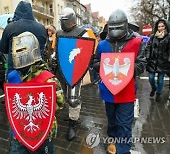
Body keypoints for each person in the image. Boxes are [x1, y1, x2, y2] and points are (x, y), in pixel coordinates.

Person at [96, 9, 146, 154]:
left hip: (127, 91)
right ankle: (112, 140)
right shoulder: (102, 45)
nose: (115, 30)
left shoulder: (137, 43)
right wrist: (104, 65)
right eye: (113, 27)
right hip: (108, 90)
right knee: (111, 120)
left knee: (124, 123)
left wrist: (128, 68)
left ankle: (123, 150)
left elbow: (141, 64)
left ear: (125, 25)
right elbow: (94, 62)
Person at [6, 32, 64, 154]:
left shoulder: (48, 79)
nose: (18, 54)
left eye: (22, 50)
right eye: (17, 50)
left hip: (42, 131)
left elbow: (58, 103)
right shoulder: (13, 76)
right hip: (19, 132)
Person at [56, 7, 93, 141]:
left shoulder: (83, 33)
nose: (62, 23)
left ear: (71, 20)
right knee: (63, 96)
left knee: (73, 98)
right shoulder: (59, 33)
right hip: (61, 69)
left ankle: (73, 124)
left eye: (64, 20)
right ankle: (71, 115)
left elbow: (87, 54)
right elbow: (57, 50)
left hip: (75, 70)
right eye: (61, 20)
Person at [0, 0, 47, 77]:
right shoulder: (41, 28)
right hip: (36, 72)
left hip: (15, 72)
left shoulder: (10, 27)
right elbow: (43, 47)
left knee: (15, 89)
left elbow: (3, 49)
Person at [145, 19, 170, 102]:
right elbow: (148, 47)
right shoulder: (153, 37)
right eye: (159, 26)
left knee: (160, 79)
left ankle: (158, 94)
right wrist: (148, 57)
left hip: (163, 62)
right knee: (151, 78)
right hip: (153, 61)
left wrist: (168, 59)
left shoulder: (168, 37)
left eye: (162, 26)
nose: (161, 28)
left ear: (165, 26)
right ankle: (154, 88)